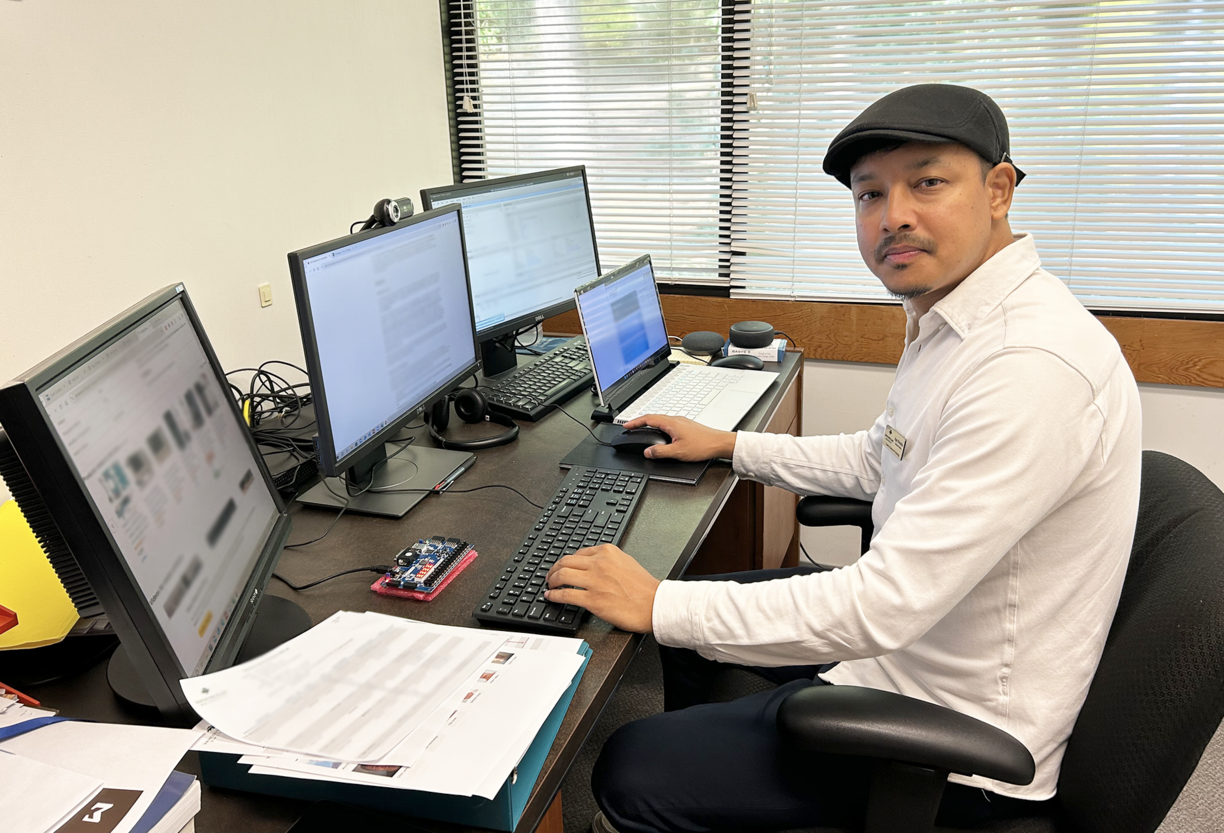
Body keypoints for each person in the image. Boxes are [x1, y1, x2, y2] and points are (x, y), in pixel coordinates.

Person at [543, 84, 1143, 831]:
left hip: (954, 736)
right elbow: (878, 457)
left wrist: (658, 602)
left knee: (630, 764)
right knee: (690, 633)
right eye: (870, 194)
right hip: (920, 643)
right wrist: (732, 445)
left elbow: (883, 604)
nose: (894, 215)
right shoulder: (957, 317)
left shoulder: (1028, 366)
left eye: (927, 182)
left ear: (998, 190)